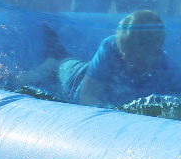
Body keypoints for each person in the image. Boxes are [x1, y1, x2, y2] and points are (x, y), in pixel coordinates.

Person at [22, 12, 181, 107]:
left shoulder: (170, 72)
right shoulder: (111, 47)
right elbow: (85, 96)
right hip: (77, 77)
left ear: (155, 51)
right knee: (57, 66)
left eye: (133, 56)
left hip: (104, 81)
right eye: (122, 52)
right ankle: (54, 60)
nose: (124, 59)